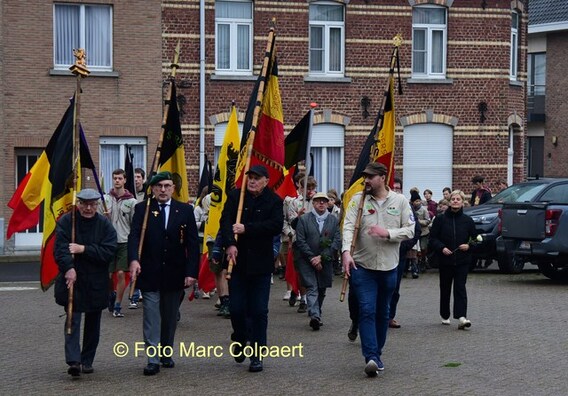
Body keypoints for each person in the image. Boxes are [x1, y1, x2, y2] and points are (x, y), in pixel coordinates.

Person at [342, 162, 415, 377]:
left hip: (389, 267)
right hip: (362, 267)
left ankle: (378, 352)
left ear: (383, 177)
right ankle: (371, 356)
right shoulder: (358, 200)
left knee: (383, 313)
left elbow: (411, 230)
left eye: (371, 177)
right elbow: (347, 226)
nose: (366, 181)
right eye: (365, 177)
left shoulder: (400, 201)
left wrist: (388, 233)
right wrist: (346, 252)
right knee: (366, 309)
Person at [128, 171, 200, 376]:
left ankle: (166, 351)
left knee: (169, 318)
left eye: (167, 186)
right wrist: (133, 259)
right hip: (149, 270)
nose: (163, 189)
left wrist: (191, 272)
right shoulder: (143, 209)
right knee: (151, 315)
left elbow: (193, 244)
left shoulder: (185, 210)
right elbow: (134, 237)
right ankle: (152, 358)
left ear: (173, 188)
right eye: (159, 186)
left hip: (174, 272)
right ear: (152, 188)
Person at [220, 165, 283, 373]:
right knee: (236, 308)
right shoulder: (236, 196)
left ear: (266, 180)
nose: (252, 181)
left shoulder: (274, 201)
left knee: (259, 311)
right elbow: (225, 221)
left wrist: (248, 229)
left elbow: (275, 225)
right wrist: (230, 243)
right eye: (250, 178)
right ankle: (239, 338)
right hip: (237, 263)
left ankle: (257, 355)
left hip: (261, 265)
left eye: (257, 178)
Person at [54, 188, 117, 377]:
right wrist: (68, 268)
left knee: (93, 323)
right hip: (73, 281)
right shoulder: (67, 221)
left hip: (96, 282)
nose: (88, 208)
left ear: (97, 205)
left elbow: (108, 252)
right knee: (72, 318)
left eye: (92, 205)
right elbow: (60, 249)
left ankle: (87, 360)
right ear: (79, 204)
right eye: (84, 204)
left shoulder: (105, 225)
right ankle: (74, 360)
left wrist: (84, 249)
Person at [429, 190, 478, 330]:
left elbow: (475, 239)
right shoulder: (440, 219)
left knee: (460, 288)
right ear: (449, 202)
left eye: (458, 199)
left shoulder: (468, 221)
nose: (455, 201)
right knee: (445, 288)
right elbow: (433, 239)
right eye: (453, 199)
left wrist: (468, 246)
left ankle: (462, 317)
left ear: (462, 202)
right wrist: (441, 247)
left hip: (462, 261)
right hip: (445, 260)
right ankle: (444, 314)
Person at [294, 192, 341, 331]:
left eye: (324, 201)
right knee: (312, 286)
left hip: (325, 260)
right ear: (313, 203)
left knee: (321, 288)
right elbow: (300, 240)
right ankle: (315, 316)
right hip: (305, 259)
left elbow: (336, 240)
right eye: (318, 201)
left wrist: (322, 257)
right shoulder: (304, 219)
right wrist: (312, 257)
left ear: (328, 204)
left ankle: (316, 310)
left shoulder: (333, 220)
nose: (321, 203)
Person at [102, 169, 138, 316]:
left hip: (124, 241)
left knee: (122, 273)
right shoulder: (104, 199)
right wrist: (105, 218)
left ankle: (117, 304)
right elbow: (98, 221)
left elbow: (134, 224)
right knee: (108, 275)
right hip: (109, 242)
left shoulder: (132, 202)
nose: (117, 181)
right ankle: (111, 295)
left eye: (120, 178)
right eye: (115, 178)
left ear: (124, 180)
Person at [288, 175, 318, 312]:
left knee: (315, 271)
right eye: (307, 188)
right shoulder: (294, 203)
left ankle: (314, 299)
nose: (309, 191)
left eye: (312, 188)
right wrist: (299, 216)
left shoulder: (319, 201)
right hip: (299, 242)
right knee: (301, 272)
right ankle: (303, 298)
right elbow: (291, 223)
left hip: (315, 241)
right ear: (300, 188)